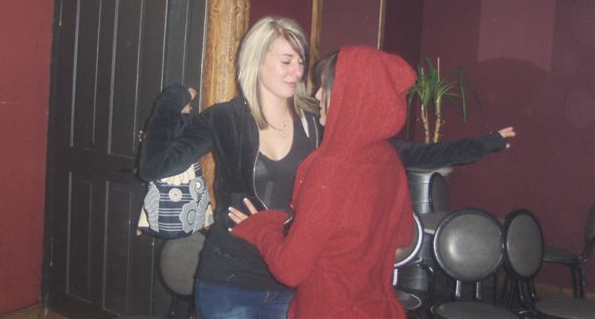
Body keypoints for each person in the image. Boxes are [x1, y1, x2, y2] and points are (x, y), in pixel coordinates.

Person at [138, 16, 515, 319]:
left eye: (301, 60)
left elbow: (402, 152)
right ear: (256, 60)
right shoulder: (223, 118)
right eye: (287, 60)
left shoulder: (316, 122)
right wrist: (170, 101)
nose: (297, 70)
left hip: (294, 284)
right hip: (230, 279)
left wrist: (482, 144)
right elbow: (155, 164)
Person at [229, 46, 417, 318]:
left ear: (351, 95)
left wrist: (262, 227)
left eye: (324, 87)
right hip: (377, 307)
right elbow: (403, 236)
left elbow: (290, 270)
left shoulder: (333, 167)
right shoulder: (388, 157)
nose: (317, 95)